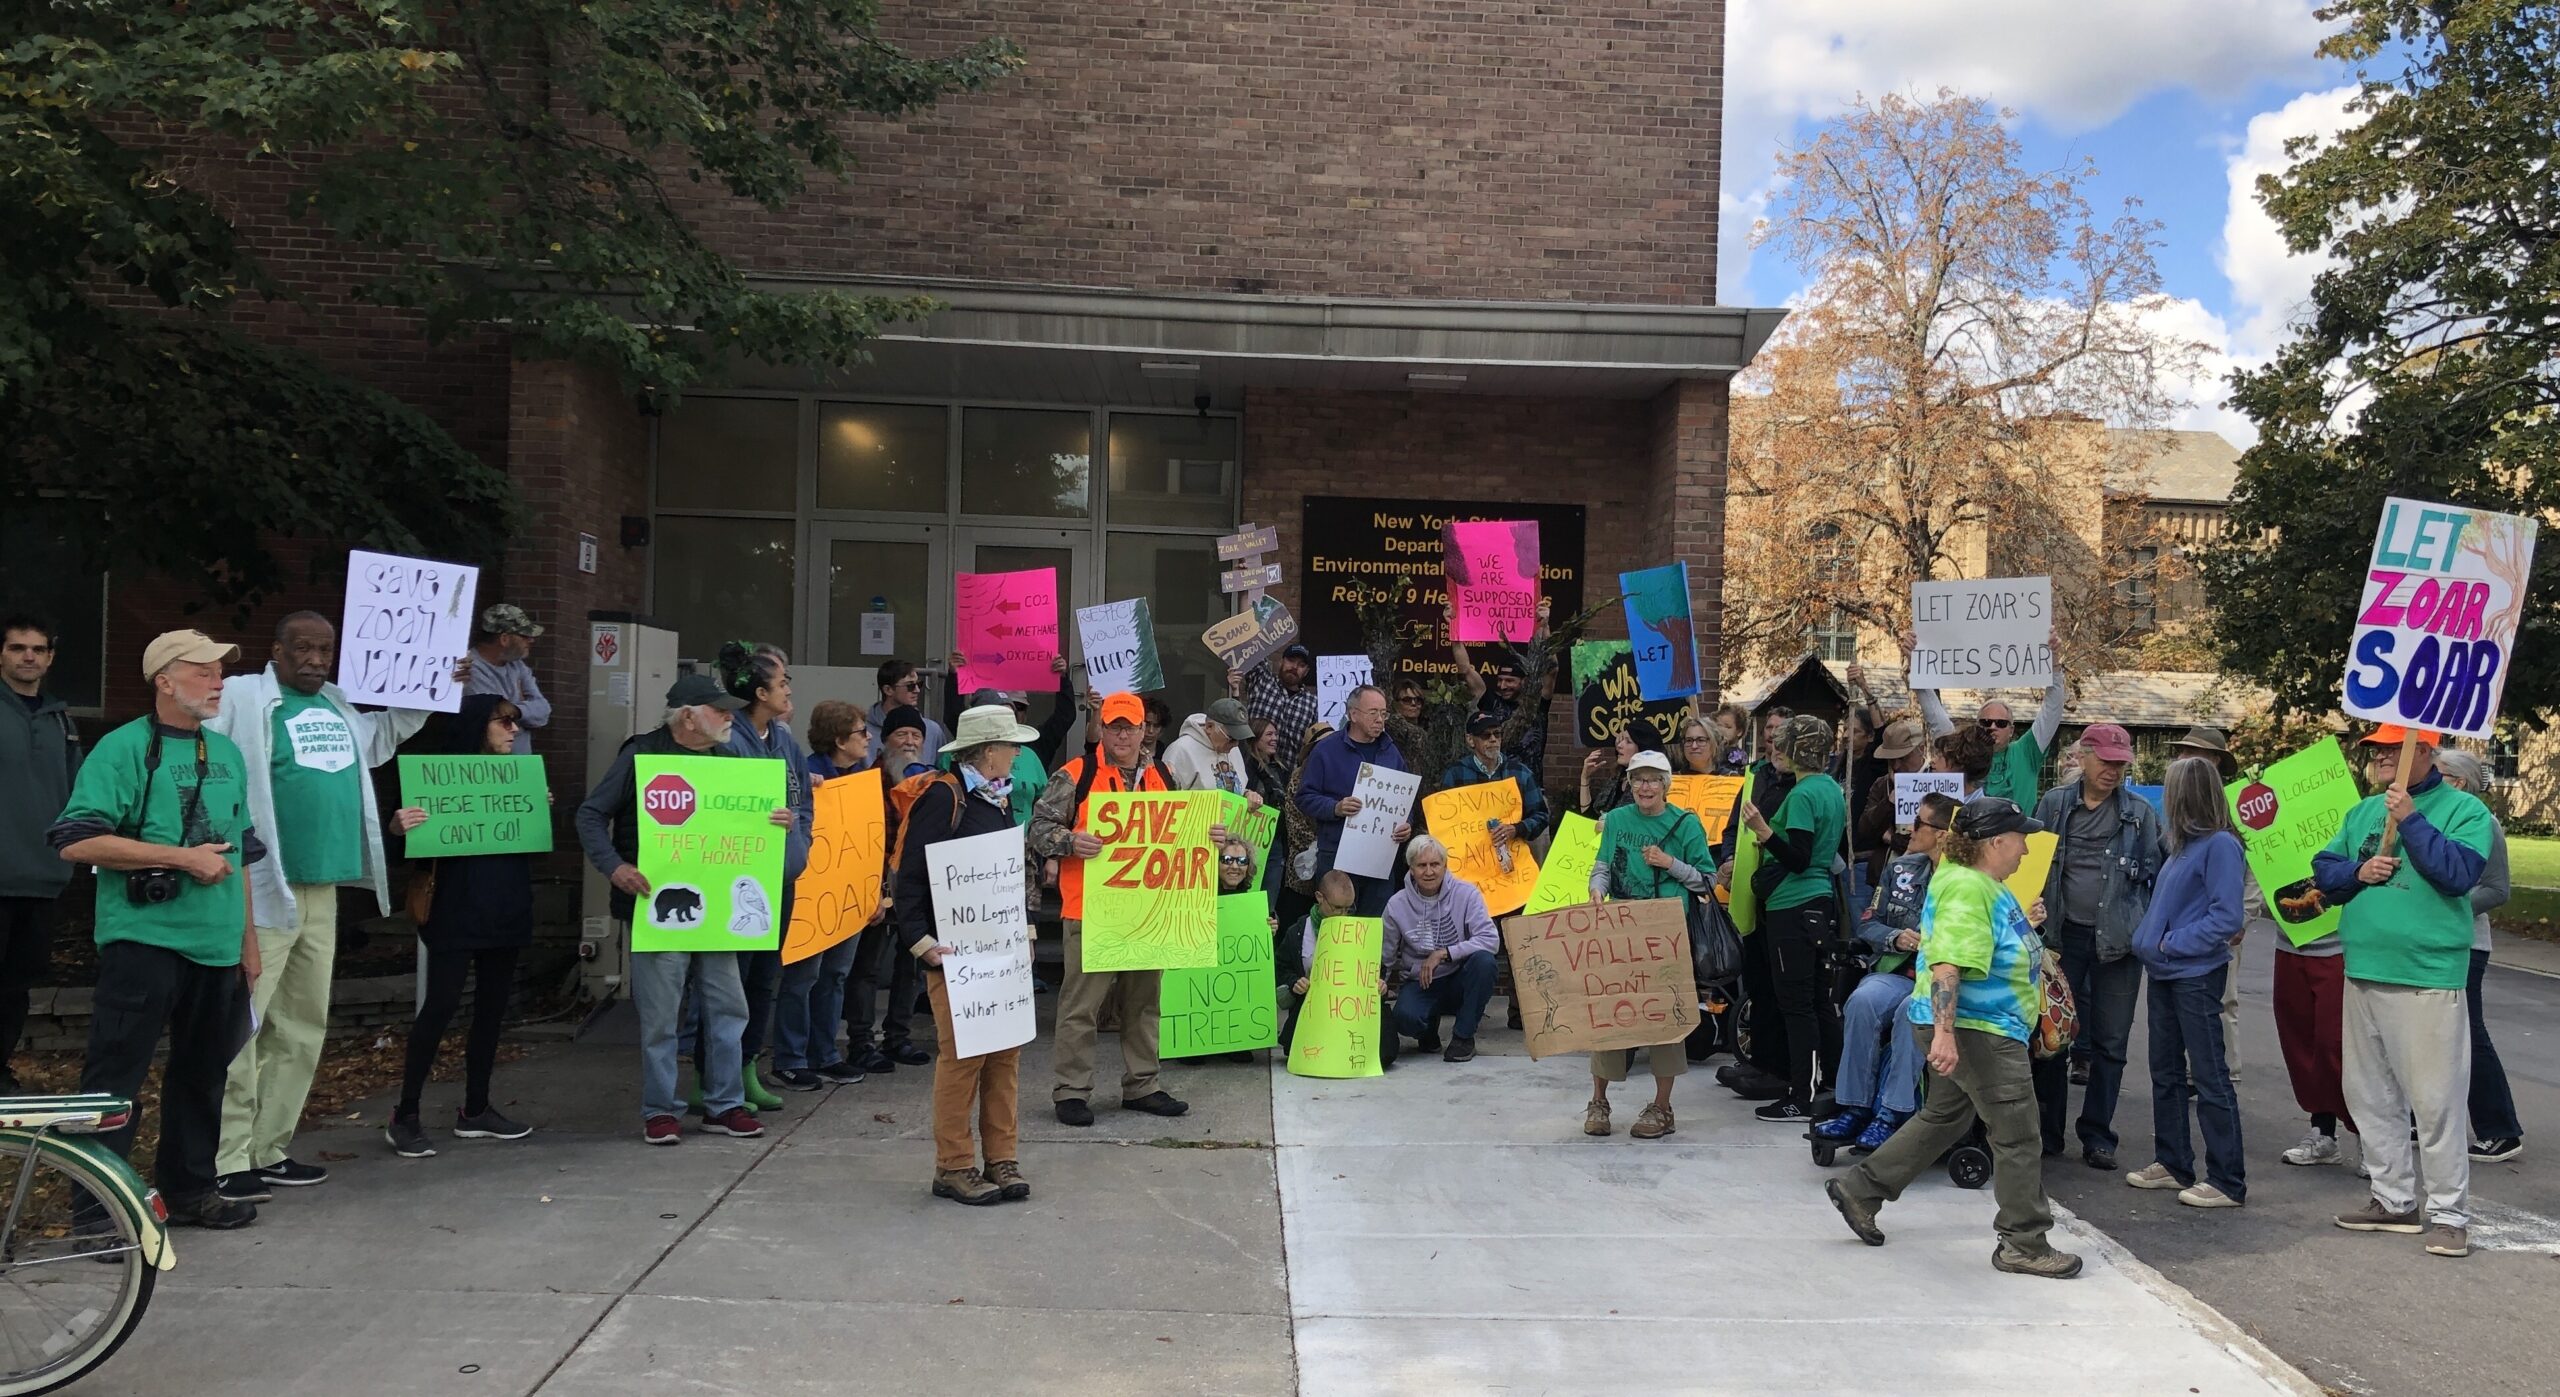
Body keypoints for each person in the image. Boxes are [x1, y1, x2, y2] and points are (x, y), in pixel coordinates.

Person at [208, 610, 453, 1204]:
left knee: (302, 1024)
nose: (315, 659)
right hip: (265, 886)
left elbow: (386, 734)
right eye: (303, 649)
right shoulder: (246, 698)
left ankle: (269, 1148)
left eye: (325, 650)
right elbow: (201, 734)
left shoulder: (340, 706)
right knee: (244, 1024)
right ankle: (225, 1157)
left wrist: (438, 679)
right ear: (276, 650)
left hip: (323, 890)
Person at [48, 631, 261, 1228]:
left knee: (203, 1075)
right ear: (164, 680)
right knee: (116, 1077)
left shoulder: (227, 754)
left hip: (217, 946)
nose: (219, 681)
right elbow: (76, 840)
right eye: (204, 670)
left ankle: (191, 1192)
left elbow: (241, 854)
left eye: (221, 671)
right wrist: (180, 858)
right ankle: (96, 1211)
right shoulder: (121, 750)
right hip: (143, 941)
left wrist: (248, 944)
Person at [1826, 797, 2079, 1279]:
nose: (2026, 850)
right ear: (1995, 842)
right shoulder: (1968, 887)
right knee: (2018, 1132)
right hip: (1975, 1029)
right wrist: (1945, 1035)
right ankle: (2023, 1243)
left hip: (1972, 1027)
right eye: (2021, 838)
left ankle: (1862, 1190)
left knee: (1945, 1115)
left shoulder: (1981, 885)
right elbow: (1947, 965)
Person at [576, 673, 787, 1145]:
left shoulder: (728, 759)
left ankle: (725, 1104)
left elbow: (751, 823)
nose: (730, 717)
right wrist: (615, 867)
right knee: (660, 1016)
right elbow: (591, 814)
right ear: (688, 716)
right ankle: (660, 1109)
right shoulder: (640, 755)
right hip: (655, 911)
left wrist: (778, 819)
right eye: (719, 709)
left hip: (718, 912)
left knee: (729, 1010)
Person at [2312, 724, 2493, 1259]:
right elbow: (2325, 870)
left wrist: (2410, 818)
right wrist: (2359, 869)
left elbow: (2457, 875)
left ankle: (2448, 1214)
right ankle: (2392, 1199)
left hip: (2427, 976)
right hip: (2364, 967)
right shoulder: (2363, 812)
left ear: (2426, 753)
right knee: (2370, 1095)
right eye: (2377, 751)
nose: (2383, 758)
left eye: (2395, 748)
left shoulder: (2466, 812)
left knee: (2435, 1102)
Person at [898, 704, 1041, 1206]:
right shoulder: (944, 797)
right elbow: (910, 877)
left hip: (998, 952)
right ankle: (953, 1166)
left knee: (1005, 1057)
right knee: (962, 1059)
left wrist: (1022, 933)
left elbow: (1007, 874)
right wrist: (923, 945)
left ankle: (1001, 1158)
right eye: (1011, 745)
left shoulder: (996, 798)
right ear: (986, 751)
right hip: (955, 955)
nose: (1018, 753)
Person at [385, 694, 539, 1156]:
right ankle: (405, 1113)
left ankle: (476, 1109)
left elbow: (537, 848)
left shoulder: (519, 777)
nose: (514, 730)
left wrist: (535, 809)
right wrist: (398, 828)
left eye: (516, 723)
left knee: (492, 1012)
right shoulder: (435, 776)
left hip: (504, 908)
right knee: (441, 1006)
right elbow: (404, 854)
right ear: (477, 726)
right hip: (455, 909)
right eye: (504, 722)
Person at [1029, 690, 1190, 1126]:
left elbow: (1180, 833)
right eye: (1113, 725)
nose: (1121, 734)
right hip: (1091, 909)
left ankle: (1142, 1086)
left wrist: (1205, 835)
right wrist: (1070, 843)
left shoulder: (1165, 776)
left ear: (1145, 731)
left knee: (1143, 1003)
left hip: (1146, 910)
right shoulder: (1077, 773)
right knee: (1081, 1005)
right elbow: (1038, 828)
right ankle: (1071, 1091)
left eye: (1129, 726)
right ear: (1101, 728)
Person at [2028, 722, 2161, 1170]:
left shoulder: (2140, 814)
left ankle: (2098, 1134)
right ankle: (2048, 1131)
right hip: (2061, 940)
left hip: (2118, 944)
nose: (2112, 770)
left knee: (2111, 1043)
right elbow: (2029, 863)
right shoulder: (2053, 804)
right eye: (2104, 760)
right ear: (2082, 758)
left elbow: (2155, 878)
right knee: (2052, 1037)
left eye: (2120, 763)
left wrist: (2145, 928)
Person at [2125, 756, 2248, 1208]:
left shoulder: (2218, 846)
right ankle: (2174, 1162)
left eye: (2172, 789)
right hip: (2167, 971)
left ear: (2184, 796)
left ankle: (2227, 1179)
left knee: (2210, 1074)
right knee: (2166, 1071)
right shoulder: (2181, 847)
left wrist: (2169, 943)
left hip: (2193, 973)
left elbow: (2227, 916)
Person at [1815, 791, 1960, 1154]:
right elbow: (1869, 923)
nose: (1910, 828)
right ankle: (1854, 1106)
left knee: (1910, 1012)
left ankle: (1892, 1112)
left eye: (1920, 822)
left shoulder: (1967, 882)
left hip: (1940, 981)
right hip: (1898, 968)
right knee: (1862, 1000)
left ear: (1942, 833)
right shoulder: (1901, 869)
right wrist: (1896, 938)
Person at [1582, 750, 1712, 1140]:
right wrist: (1596, 889)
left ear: (1667, 785)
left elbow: (1707, 881)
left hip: (1666, 936)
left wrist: (1668, 863)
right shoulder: (1618, 820)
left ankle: (1662, 1107)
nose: (1645, 786)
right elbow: (1603, 866)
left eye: (1654, 779)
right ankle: (1599, 1101)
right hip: (1620, 933)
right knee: (1607, 1015)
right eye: (1638, 779)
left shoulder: (1687, 825)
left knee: (1663, 1019)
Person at [701, 643, 809, 1106]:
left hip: (778, 878)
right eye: (782, 683)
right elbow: (716, 805)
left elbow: (801, 796)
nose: (788, 691)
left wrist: (798, 838)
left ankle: (746, 1069)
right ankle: (711, 1076)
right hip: (737, 877)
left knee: (765, 977)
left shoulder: (785, 740)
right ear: (761, 692)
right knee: (730, 982)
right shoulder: (727, 740)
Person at [1737, 714, 1848, 1124]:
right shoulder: (1831, 788)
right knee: (1819, 1002)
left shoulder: (1802, 794)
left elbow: (1799, 857)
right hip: (1818, 904)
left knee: (1797, 1006)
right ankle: (1832, 1087)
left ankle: (1801, 1096)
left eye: (1784, 744)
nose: (1777, 751)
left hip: (1794, 906)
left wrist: (1763, 831)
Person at [0, 613, 80, 1091]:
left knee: (15, 986)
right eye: (16, 648)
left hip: (43, 879)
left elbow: (79, 795)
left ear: (49, 658)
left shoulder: (61, 720)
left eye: (37, 649)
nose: (27, 656)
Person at [779, 701, 875, 1090]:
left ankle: (826, 1054)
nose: (868, 738)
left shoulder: (863, 778)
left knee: (835, 975)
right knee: (803, 977)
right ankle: (790, 1058)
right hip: (810, 895)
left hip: (847, 891)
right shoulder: (803, 772)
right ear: (838, 739)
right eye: (860, 732)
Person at [2433, 750, 2522, 1164]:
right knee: (2428, 1035)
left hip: (2467, 945)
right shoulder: (2430, 819)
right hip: (2425, 942)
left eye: (2438, 773)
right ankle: (2427, 1119)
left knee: (2469, 1034)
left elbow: (2497, 889)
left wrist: (2448, 909)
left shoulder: (2483, 822)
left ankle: (2500, 1128)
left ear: (2460, 782)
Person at [2170, 726, 2251, 1083]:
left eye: (2195, 753)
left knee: (2223, 999)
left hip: (2220, 921)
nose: (2186, 759)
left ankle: (2223, 1069)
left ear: (2216, 761)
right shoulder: (2180, 805)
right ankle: (2195, 1068)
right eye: (2184, 752)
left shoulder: (2233, 808)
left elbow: (2255, 869)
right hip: (2186, 924)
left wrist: (2243, 918)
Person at [1296, 685, 1414, 917]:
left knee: (1373, 926)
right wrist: (1335, 808)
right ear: (1353, 715)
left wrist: (1406, 824)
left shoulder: (1391, 752)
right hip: (1337, 854)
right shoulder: (1326, 750)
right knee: (1338, 924)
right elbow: (1304, 797)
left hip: (1379, 858)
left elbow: (1404, 799)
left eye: (1384, 713)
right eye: (1373, 713)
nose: (1380, 719)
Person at [1382, 836, 1501, 1062]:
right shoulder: (1396, 904)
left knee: (1485, 962)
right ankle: (1426, 1030)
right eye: (1421, 865)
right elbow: (1385, 954)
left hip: (1459, 977)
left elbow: (1490, 939)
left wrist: (1444, 953)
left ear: (1445, 866)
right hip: (1422, 981)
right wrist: (1376, 986)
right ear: (1411, 869)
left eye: (1435, 864)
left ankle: (1463, 1037)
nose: (1429, 872)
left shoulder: (1467, 894)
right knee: (1404, 1019)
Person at [1911, 646, 2066, 809]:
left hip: (2016, 833)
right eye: (1985, 722)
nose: (1992, 727)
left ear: (2011, 730)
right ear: (1977, 726)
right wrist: (1916, 665)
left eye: (2000, 723)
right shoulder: (1963, 754)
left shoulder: (2026, 752)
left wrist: (2054, 665)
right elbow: (1936, 719)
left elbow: (2051, 711)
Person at [1278, 870, 1395, 1068]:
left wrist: (1380, 983)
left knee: (1386, 1054)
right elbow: (1281, 967)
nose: (1343, 914)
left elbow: (1376, 968)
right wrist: (1294, 983)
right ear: (1319, 898)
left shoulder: (1360, 930)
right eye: (1337, 908)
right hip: (1315, 1008)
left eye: (1348, 909)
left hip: (1355, 1009)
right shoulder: (1298, 931)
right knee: (1295, 1051)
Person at [1450, 597, 1552, 773]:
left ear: (1526, 681)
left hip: (1530, 788)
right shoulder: (1491, 701)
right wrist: (1453, 626)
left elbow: (1552, 669)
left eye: (1510, 680)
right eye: (1500, 680)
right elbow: (1465, 670)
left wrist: (1544, 626)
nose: (1503, 685)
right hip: (1496, 788)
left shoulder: (1538, 703)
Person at [1437, 710, 1553, 849]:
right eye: (1486, 735)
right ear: (1470, 740)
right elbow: (1443, 820)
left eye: (1497, 734)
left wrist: (1517, 829)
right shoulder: (1455, 774)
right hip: (1471, 853)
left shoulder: (1520, 772)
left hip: (1513, 851)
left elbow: (1540, 815)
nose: (1493, 739)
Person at [1851, 716, 1929, 900]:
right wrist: (1890, 801)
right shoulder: (1882, 784)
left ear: (1921, 750)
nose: (1896, 765)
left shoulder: (1938, 780)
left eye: (1903, 758)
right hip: (1885, 877)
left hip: (1927, 878)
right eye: (1890, 759)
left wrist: (1889, 837)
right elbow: (1864, 829)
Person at [463, 604, 551, 755]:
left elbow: (543, 710)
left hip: (520, 765)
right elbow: (494, 715)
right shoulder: (468, 668)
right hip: (488, 767)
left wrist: (516, 710)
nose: (531, 640)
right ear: (504, 639)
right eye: (524, 636)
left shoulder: (517, 665)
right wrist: (523, 705)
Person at [1234, 643, 1320, 777]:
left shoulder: (1313, 704)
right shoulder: (1261, 681)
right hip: (1247, 771)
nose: (1294, 667)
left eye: (1301, 665)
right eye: (1291, 661)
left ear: (1306, 671)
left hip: (1285, 781)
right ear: (1281, 661)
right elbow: (1251, 645)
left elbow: (1314, 746)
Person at [1163, 697, 1258, 796]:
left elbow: (1237, 789)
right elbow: (1165, 798)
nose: (1236, 744)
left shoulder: (1232, 749)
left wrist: (1247, 794)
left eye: (1239, 738)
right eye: (1231, 738)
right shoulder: (1180, 750)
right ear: (1209, 727)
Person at [867, 659, 949, 756]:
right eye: (910, 686)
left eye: (919, 684)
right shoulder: (863, 732)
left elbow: (943, 768)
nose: (917, 690)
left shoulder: (933, 731)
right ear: (888, 690)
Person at [876, 705, 934, 779]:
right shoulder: (871, 780)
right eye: (901, 735)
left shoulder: (930, 782)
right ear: (885, 740)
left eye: (916, 736)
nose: (909, 742)